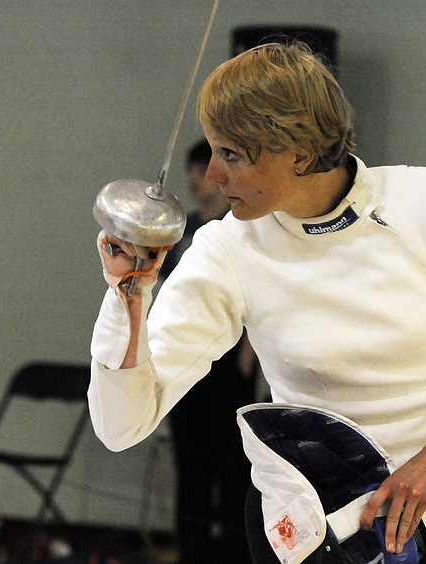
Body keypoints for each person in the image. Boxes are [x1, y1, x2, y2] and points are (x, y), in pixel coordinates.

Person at [89, 42, 426, 563]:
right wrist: (128, 300)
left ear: (300, 154)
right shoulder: (226, 250)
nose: (215, 176)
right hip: (321, 533)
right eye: (214, 151)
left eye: (233, 155)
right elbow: (121, 425)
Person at [158, 139, 257, 563]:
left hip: (230, 363)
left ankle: (236, 552)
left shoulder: (247, 230)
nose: (196, 182)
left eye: (201, 171)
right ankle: (192, 552)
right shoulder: (184, 234)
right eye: (194, 173)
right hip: (187, 363)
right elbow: (167, 295)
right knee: (191, 464)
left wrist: (249, 357)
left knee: (234, 464)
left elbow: (261, 296)